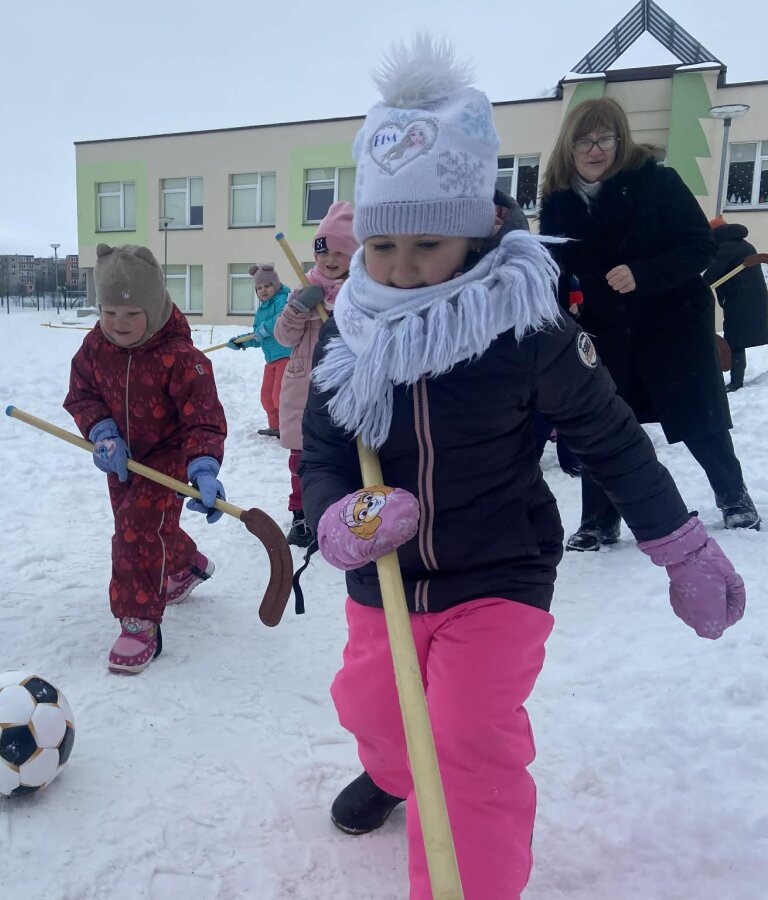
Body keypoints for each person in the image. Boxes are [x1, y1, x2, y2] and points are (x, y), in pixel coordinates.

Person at [300, 36, 745, 900]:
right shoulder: (352, 335)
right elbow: (324, 449)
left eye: (427, 244)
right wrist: (336, 517)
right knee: (375, 712)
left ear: (474, 236)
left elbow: (611, 437)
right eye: (381, 246)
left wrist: (681, 547)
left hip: (498, 572)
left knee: (466, 736)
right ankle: (394, 771)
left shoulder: (522, 328)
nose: (400, 268)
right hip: (386, 577)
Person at [539, 97, 760, 548]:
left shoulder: (658, 182)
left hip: (672, 322)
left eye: (604, 139)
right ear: (569, 146)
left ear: (620, 141)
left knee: (698, 417)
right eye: (584, 140)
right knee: (602, 420)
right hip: (605, 329)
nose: (594, 150)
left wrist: (643, 274)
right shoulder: (559, 199)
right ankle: (599, 519)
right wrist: (563, 307)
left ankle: (733, 496)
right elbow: (554, 264)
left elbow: (700, 246)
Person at [64, 243, 227, 674]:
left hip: (168, 457)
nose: (118, 323)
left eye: (131, 313)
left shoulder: (181, 358)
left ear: (153, 308)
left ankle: (138, 622)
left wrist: (203, 467)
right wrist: (102, 432)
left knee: (134, 530)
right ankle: (186, 566)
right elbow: (82, 394)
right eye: (109, 312)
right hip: (122, 457)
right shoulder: (95, 347)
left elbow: (203, 419)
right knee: (145, 525)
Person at [275, 200, 356, 546]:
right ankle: (302, 517)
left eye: (340, 252)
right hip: (303, 391)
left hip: (342, 389)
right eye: (323, 252)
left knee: (342, 456)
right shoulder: (304, 288)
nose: (329, 260)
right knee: (302, 459)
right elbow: (283, 337)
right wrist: (297, 308)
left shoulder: (360, 292)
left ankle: (343, 514)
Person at [226, 263, 292, 437]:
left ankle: (289, 428)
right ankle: (276, 427)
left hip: (286, 356)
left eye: (267, 286)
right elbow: (258, 336)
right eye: (259, 288)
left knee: (280, 396)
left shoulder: (284, 299)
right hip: (271, 359)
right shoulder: (262, 309)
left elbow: (282, 319)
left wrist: (265, 329)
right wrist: (241, 342)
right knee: (267, 397)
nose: (263, 290)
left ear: (275, 285)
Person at [706, 216, 768, 392]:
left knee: (735, 341)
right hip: (754, 300)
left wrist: (696, 287)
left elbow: (711, 274)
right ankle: (736, 381)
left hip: (739, 302)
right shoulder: (745, 245)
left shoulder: (727, 248)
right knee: (741, 338)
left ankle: (736, 383)